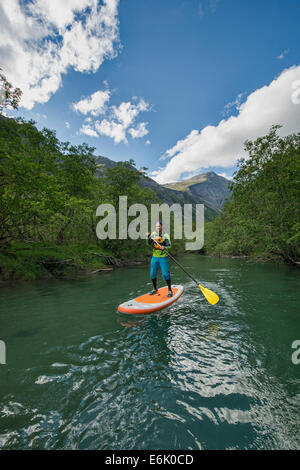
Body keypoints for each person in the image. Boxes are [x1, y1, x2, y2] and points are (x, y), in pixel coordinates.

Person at [146, 221, 173, 297]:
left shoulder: (166, 235)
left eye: (159, 226)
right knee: (152, 274)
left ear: (162, 227)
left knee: (165, 274)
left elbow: (169, 245)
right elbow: (150, 243)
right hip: (155, 257)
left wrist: (164, 247)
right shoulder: (153, 234)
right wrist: (148, 236)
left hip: (163, 257)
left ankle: (170, 290)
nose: (158, 228)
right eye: (156, 226)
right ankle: (155, 289)